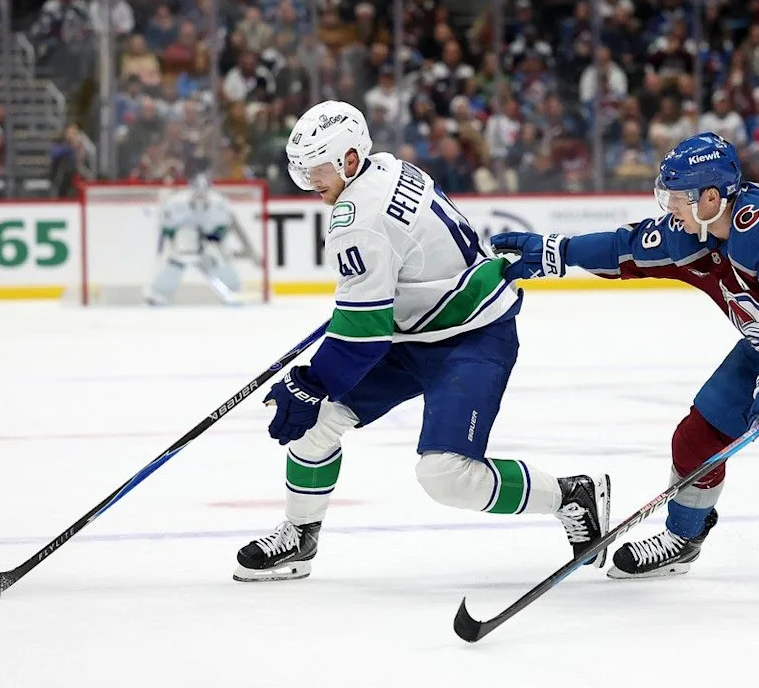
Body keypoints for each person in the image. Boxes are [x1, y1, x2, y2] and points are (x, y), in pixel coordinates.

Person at [233, 100, 611, 582]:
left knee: (446, 476)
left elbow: (362, 339)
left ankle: (570, 494)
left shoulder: (357, 220)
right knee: (317, 424)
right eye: (302, 172)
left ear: (350, 159)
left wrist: (311, 380)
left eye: (318, 170)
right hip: (417, 330)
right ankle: (301, 535)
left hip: (471, 336)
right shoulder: (388, 166)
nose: (310, 183)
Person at [491, 132, 759, 606]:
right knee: (697, 437)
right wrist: (558, 250)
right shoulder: (691, 231)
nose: (669, 207)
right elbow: (624, 247)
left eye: (677, 196)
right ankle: (684, 539)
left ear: (711, 196)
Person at [145, 173, 252, 306]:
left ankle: (230, 291)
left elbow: (227, 226)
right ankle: (160, 294)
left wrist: (215, 238)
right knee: (176, 259)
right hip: (184, 243)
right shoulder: (176, 204)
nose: (200, 196)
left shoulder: (219, 204)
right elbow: (166, 227)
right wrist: (173, 239)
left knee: (217, 258)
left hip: (208, 244)